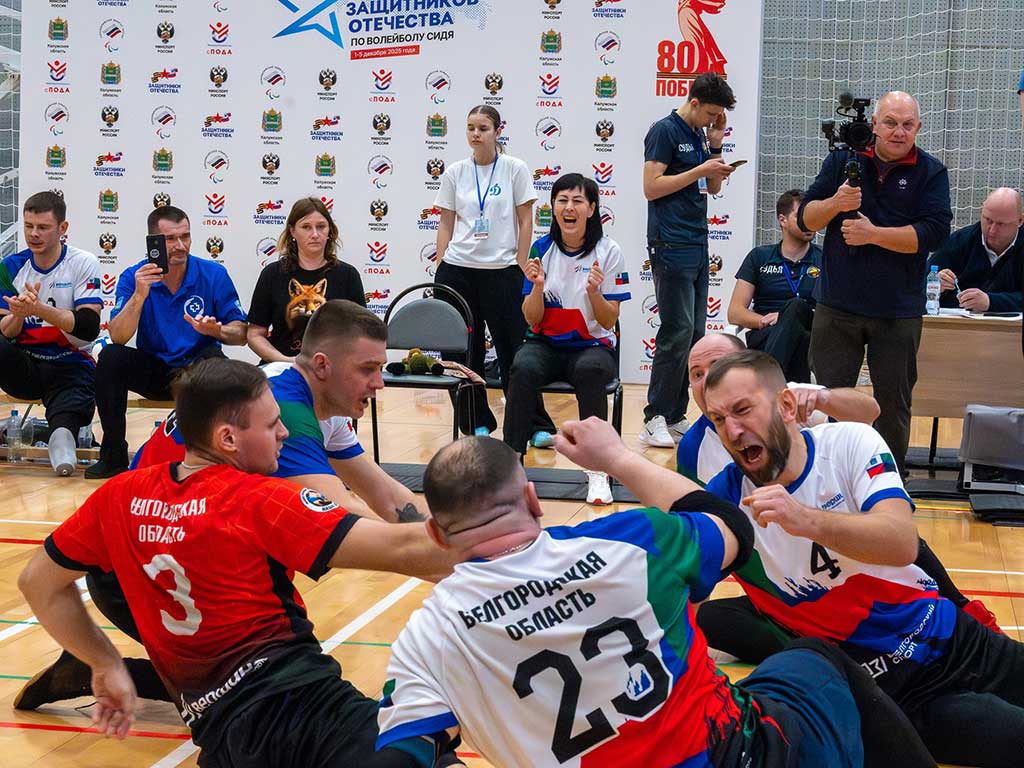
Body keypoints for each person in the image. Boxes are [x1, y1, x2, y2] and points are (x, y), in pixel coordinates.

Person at [375, 426, 937, 768]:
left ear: (435, 534)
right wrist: (618, 458)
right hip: (733, 755)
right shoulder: (631, 540)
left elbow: (404, 754)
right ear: (533, 499)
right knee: (816, 659)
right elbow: (731, 529)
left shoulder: (426, 636)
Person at [18, 357, 460, 768]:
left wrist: (105, 663)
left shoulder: (117, 497)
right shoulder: (258, 500)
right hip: (305, 710)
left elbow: (36, 582)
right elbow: (403, 549)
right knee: (432, 741)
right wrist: (496, 534)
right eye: (271, 425)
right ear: (228, 439)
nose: (284, 433)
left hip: (224, 738)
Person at [700, 350, 1024, 767]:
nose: (732, 430)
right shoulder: (723, 499)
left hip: (953, 638)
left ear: (786, 405)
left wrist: (804, 519)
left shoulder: (848, 443)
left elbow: (902, 542)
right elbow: (672, 567)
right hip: (894, 695)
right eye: (718, 419)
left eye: (742, 410)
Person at [676, 334, 1000, 642]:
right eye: (696, 374)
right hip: (784, 574)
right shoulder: (693, 450)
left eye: (717, 366)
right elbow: (707, 536)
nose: (707, 380)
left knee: (892, 526)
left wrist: (824, 398)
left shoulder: (785, 403)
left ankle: (961, 610)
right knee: (715, 619)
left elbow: (869, 414)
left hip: (845, 542)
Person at [799, 91, 953, 477]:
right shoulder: (841, 161)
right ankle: (828, 480)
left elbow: (935, 234)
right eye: (891, 123)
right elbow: (805, 220)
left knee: (893, 407)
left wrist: (873, 235)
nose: (899, 132)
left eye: (907, 124)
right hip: (837, 305)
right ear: (874, 125)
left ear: (918, 127)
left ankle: (890, 488)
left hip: (898, 310)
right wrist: (835, 203)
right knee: (829, 400)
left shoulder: (931, 172)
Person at [86, 206, 248, 479]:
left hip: (198, 369)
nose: (180, 245)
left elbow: (241, 333)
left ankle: (217, 459)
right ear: (153, 242)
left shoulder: (213, 274)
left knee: (217, 364)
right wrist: (139, 296)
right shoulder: (134, 276)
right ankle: (113, 457)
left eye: (185, 236)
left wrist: (217, 330)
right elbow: (119, 336)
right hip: (156, 370)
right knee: (111, 357)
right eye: (171, 239)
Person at [503, 173, 630, 505]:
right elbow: (532, 319)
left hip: (592, 346)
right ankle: (510, 467)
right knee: (523, 366)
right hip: (545, 344)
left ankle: (598, 471)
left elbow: (609, 320)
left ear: (592, 209)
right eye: (562, 200)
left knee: (590, 370)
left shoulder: (608, 251)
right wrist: (538, 288)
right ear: (553, 207)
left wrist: (594, 293)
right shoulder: (541, 249)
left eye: (577, 201)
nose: (569, 208)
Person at [434, 104, 553, 440]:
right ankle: (476, 421)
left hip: (502, 272)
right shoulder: (456, 172)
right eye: (471, 128)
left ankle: (532, 425)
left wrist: (521, 262)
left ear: (498, 131)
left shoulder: (515, 168)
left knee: (515, 350)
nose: (476, 134)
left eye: (483, 128)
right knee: (461, 352)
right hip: (458, 271)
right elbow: (446, 222)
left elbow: (526, 219)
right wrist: (441, 264)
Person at [640, 71, 737, 449]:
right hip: (670, 241)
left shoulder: (699, 134)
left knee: (694, 334)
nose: (713, 120)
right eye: (710, 113)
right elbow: (651, 187)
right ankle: (654, 416)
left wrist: (715, 146)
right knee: (676, 330)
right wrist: (701, 169)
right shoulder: (664, 131)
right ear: (694, 102)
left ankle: (675, 414)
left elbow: (711, 186)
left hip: (697, 241)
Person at [0, 191, 102, 475]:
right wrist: (19, 314)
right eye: (29, 226)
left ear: (62, 228)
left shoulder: (83, 262)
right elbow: (5, 332)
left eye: (43, 227)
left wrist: (41, 310)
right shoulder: (10, 267)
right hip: (26, 366)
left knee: (63, 443)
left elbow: (88, 327)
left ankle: (62, 434)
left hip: (70, 365)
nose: (34, 234)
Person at [247, 197, 366, 363]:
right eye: (306, 227)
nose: (315, 234)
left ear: (330, 231)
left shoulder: (347, 275)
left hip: (332, 368)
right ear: (292, 231)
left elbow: (361, 333)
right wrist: (286, 361)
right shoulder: (272, 274)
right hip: (281, 366)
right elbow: (254, 334)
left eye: (321, 227)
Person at [727, 189, 822, 381]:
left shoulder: (825, 258)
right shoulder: (759, 257)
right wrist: (767, 320)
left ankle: (765, 382)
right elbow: (735, 312)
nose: (810, 222)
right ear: (782, 219)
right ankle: (785, 390)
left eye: (812, 216)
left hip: (813, 332)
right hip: (767, 334)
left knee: (796, 307)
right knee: (796, 335)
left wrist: (786, 315)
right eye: (802, 216)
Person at [928, 187, 1023, 313]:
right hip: (957, 322)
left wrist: (990, 302)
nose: (992, 230)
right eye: (988, 220)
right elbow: (917, 283)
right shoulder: (960, 241)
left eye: (1001, 224)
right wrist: (935, 285)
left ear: (1020, 221)